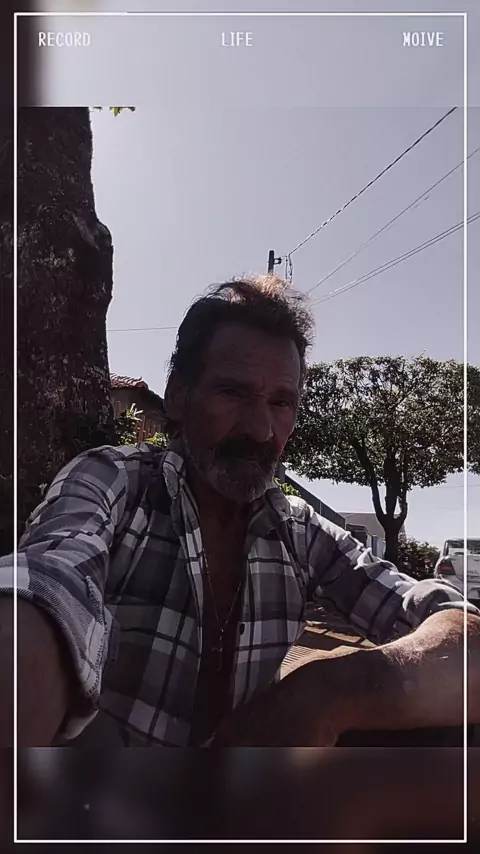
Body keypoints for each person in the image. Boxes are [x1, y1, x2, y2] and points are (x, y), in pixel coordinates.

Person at [0, 274, 479, 748]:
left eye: (281, 402)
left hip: (251, 794)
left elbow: (458, 628)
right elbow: (47, 583)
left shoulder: (298, 531)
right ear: (178, 396)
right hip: (108, 795)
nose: (260, 429)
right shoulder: (115, 482)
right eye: (232, 393)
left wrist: (324, 692)